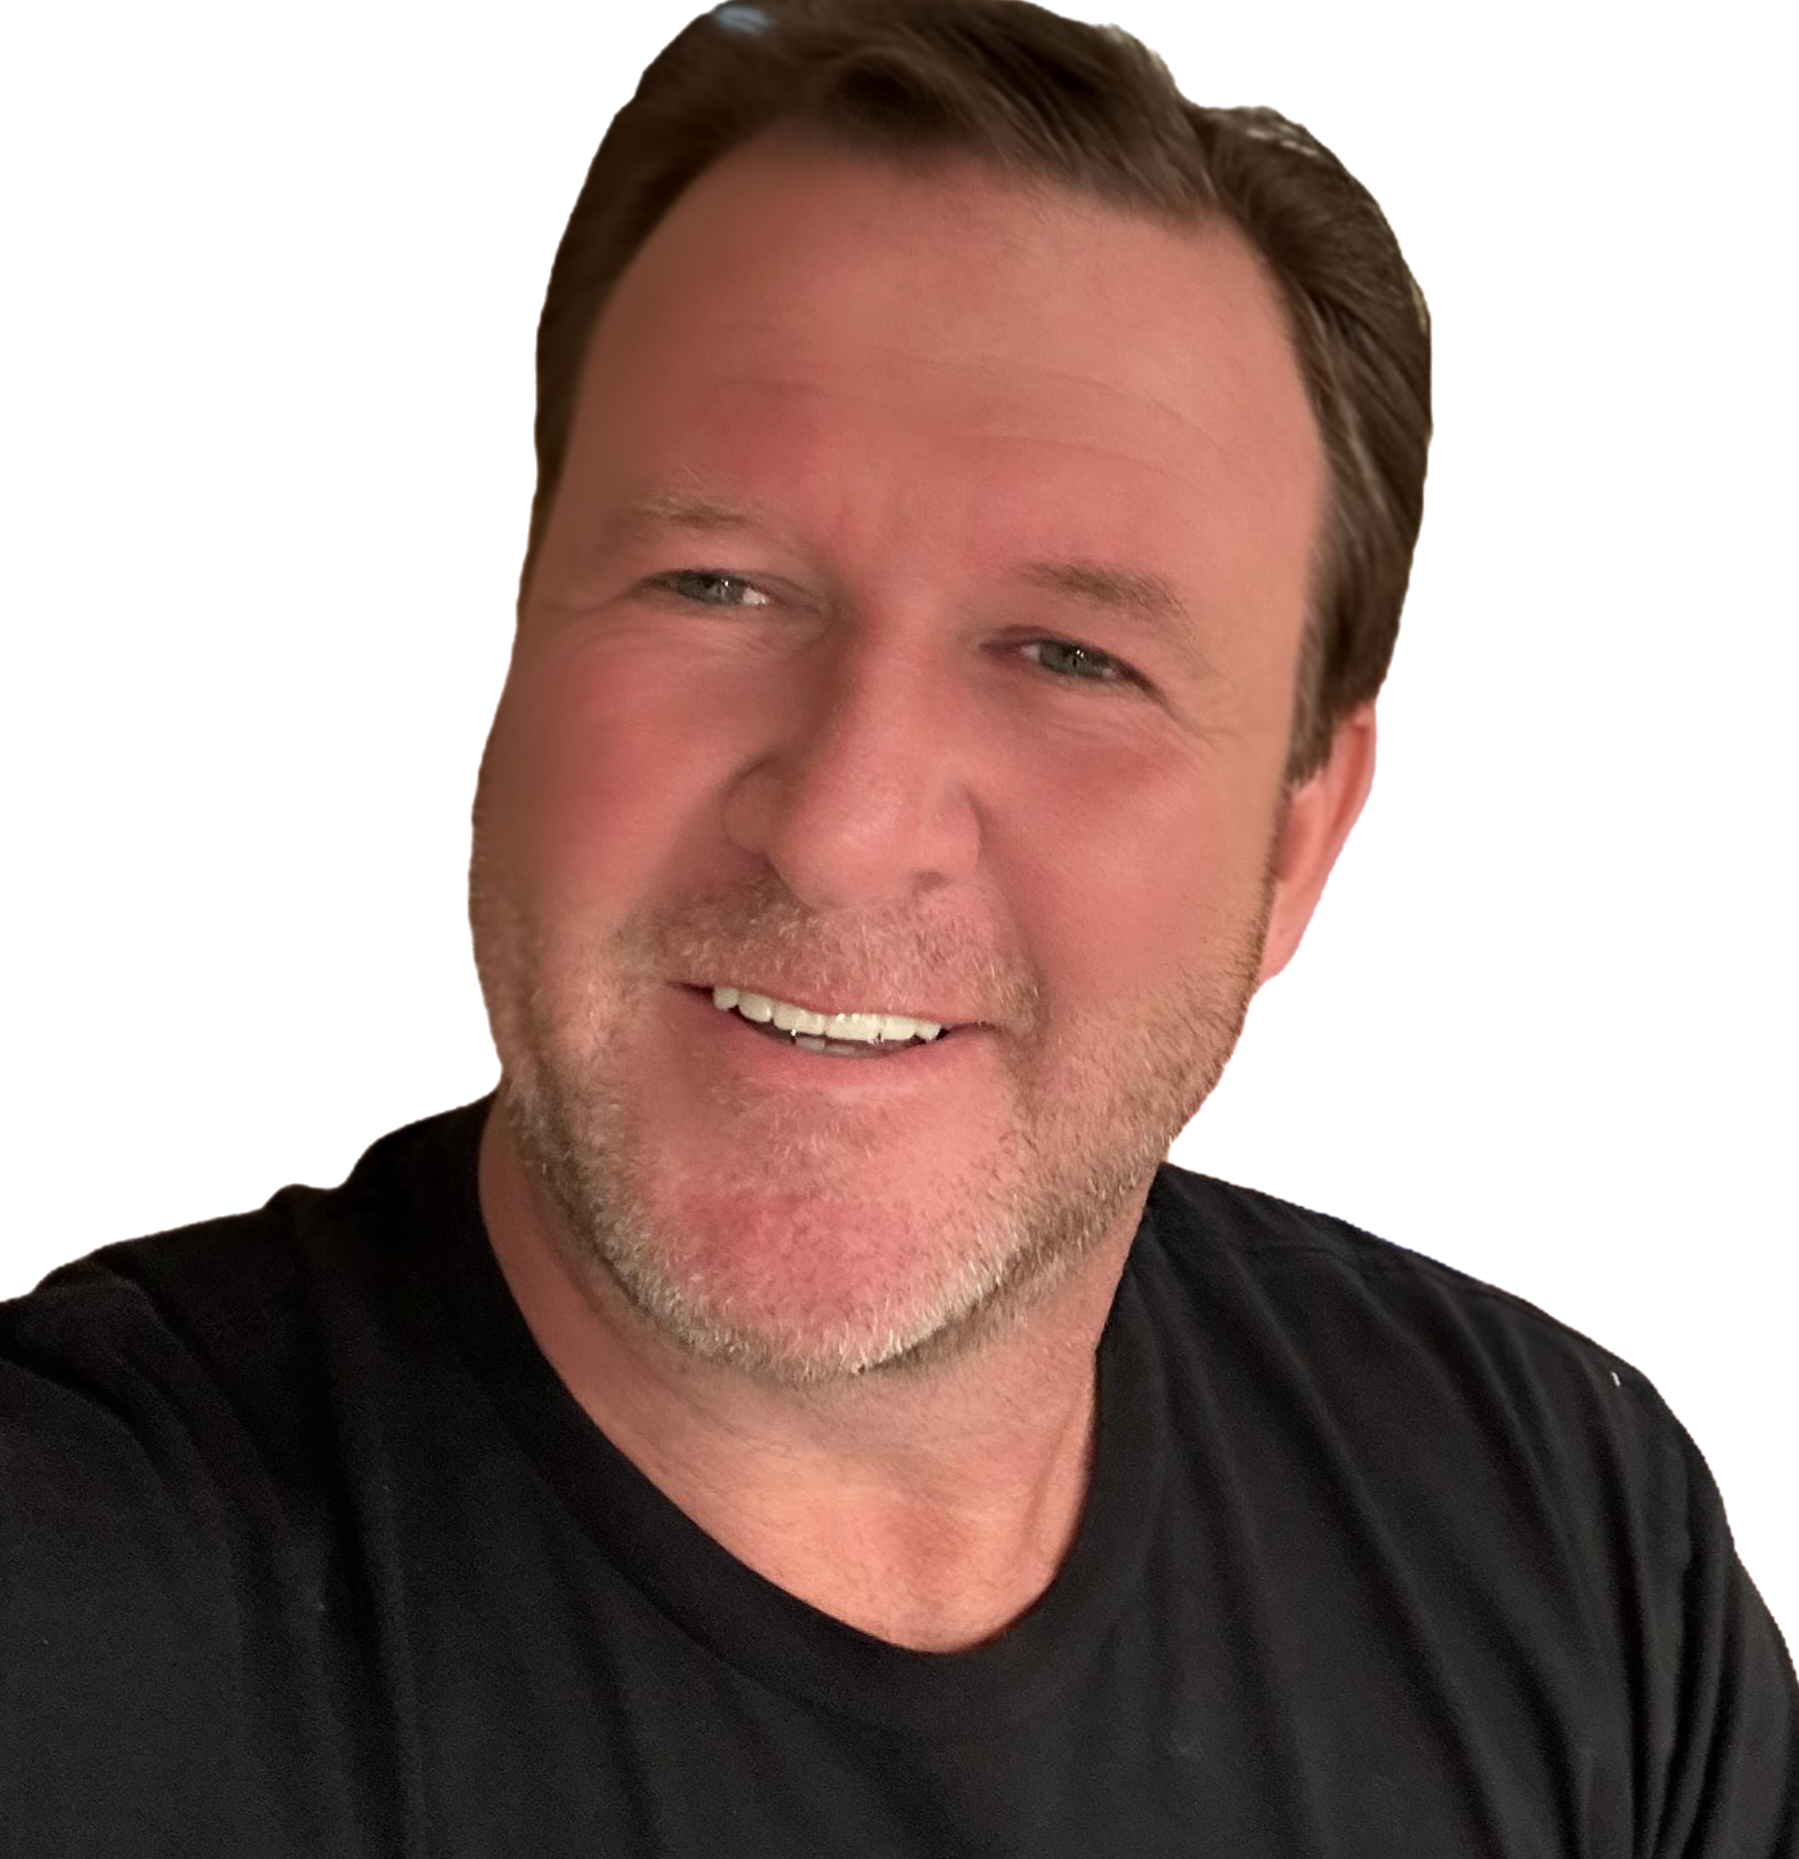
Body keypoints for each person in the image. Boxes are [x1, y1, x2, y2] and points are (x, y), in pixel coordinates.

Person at [5, 2, 1794, 1854]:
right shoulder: (69, 1592)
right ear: (520, 663)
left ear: (1304, 838)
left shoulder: (1560, 1540)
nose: (845, 826)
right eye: (716, 581)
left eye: (1071, 656)